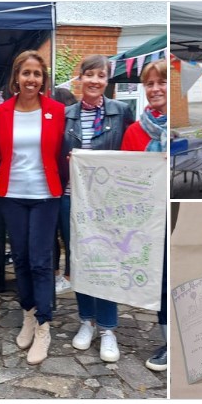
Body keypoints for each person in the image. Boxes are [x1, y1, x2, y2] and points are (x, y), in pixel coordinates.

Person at [0, 51, 66, 365]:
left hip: (46, 195)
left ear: (43, 79)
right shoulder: (1, 113)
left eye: (37, 74)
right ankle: (28, 315)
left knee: (40, 261)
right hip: (12, 195)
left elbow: (66, 151)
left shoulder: (57, 110)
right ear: (16, 77)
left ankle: (44, 326)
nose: (31, 79)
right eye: (26, 73)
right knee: (20, 259)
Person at [63, 55, 134, 362]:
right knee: (79, 261)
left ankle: (107, 328)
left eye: (100, 75)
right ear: (80, 78)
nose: (94, 80)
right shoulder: (67, 115)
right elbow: (55, 156)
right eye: (89, 74)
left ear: (108, 80)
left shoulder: (121, 112)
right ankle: (86, 322)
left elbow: (130, 154)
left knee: (106, 262)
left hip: (109, 203)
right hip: (72, 198)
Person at [120, 59, 168, 372]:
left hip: (180, 211)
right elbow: (125, 177)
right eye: (149, 84)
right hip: (152, 219)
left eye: (161, 82)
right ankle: (169, 341)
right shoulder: (135, 132)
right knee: (163, 282)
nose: (154, 89)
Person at [51, 86, 77, 296]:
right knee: (54, 237)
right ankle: (57, 274)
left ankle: (66, 275)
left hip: (67, 190)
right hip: (53, 188)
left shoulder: (70, 129)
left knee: (68, 237)